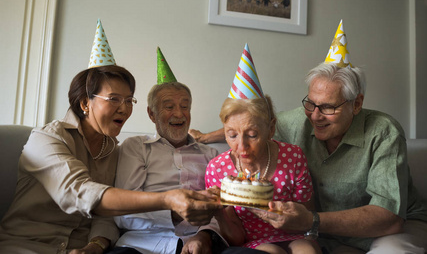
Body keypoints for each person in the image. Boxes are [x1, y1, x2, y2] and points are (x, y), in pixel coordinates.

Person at [190, 21, 427, 253]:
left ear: (357, 104)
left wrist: (311, 221)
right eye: (310, 103)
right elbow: (251, 123)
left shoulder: (384, 132)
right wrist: (204, 137)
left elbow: (390, 218)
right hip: (317, 234)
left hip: (386, 230)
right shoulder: (297, 120)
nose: (315, 116)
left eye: (327, 107)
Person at [0, 21, 221, 254]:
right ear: (86, 102)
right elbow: (81, 193)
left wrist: (96, 245)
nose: (124, 109)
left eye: (128, 100)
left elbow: (108, 216)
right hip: (27, 246)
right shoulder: (47, 139)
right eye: (114, 99)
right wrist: (168, 200)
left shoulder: (114, 151)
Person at [204, 44, 320, 254]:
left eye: (252, 135)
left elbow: (307, 214)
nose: (241, 146)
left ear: (271, 129)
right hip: (252, 242)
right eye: (232, 135)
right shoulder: (217, 169)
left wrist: (292, 219)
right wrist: (219, 212)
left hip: (293, 234)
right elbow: (235, 237)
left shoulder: (293, 157)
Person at [113, 48, 224, 254]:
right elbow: (122, 212)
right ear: (151, 114)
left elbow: (223, 210)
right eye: (169, 106)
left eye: (185, 106)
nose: (179, 114)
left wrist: (205, 235)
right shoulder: (135, 147)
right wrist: (173, 213)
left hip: (199, 243)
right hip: (140, 245)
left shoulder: (212, 156)